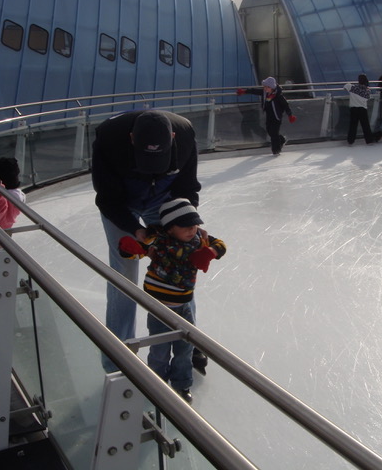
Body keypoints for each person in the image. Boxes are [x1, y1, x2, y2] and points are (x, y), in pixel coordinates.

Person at [91, 109, 204, 373]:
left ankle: (189, 337)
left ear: (173, 137)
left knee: (180, 263)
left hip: (164, 202)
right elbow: (107, 199)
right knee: (124, 273)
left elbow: (187, 188)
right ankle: (117, 353)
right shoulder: (108, 139)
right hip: (122, 204)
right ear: (131, 139)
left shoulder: (186, 136)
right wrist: (134, 230)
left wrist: (188, 222)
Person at [118, 198, 226, 403]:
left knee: (184, 349)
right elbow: (135, 252)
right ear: (169, 228)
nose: (192, 229)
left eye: (194, 224)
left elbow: (221, 245)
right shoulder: (157, 240)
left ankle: (182, 384)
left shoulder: (199, 239)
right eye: (185, 226)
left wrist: (210, 252)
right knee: (160, 350)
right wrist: (131, 249)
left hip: (184, 306)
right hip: (160, 309)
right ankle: (156, 384)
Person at [236, 77, 296, 155]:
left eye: (267, 87)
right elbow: (255, 91)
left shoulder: (278, 96)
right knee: (269, 131)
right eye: (264, 87)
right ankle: (281, 139)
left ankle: (276, 150)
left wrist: (290, 115)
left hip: (277, 117)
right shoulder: (264, 93)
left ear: (272, 87)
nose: (265, 88)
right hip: (269, 116)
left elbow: (286, 105)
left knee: (274, 133)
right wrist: (245, 91)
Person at [344, 74, 375, 145]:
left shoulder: (352, 87)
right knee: (365, 125)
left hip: (353, 108)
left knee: (353, 125)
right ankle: (369, 140)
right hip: (362, 109)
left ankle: (350, 140)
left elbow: (345, 86)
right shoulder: (367, 91)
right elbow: (368, 98)